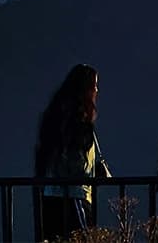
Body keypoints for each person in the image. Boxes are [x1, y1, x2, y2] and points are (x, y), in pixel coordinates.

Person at [34, 64, 104, 241]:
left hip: (52, 195)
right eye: (94, 85)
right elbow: (76, 161)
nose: (96, 90)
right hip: (73, 195)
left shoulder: (56, 116)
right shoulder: (78, 121)